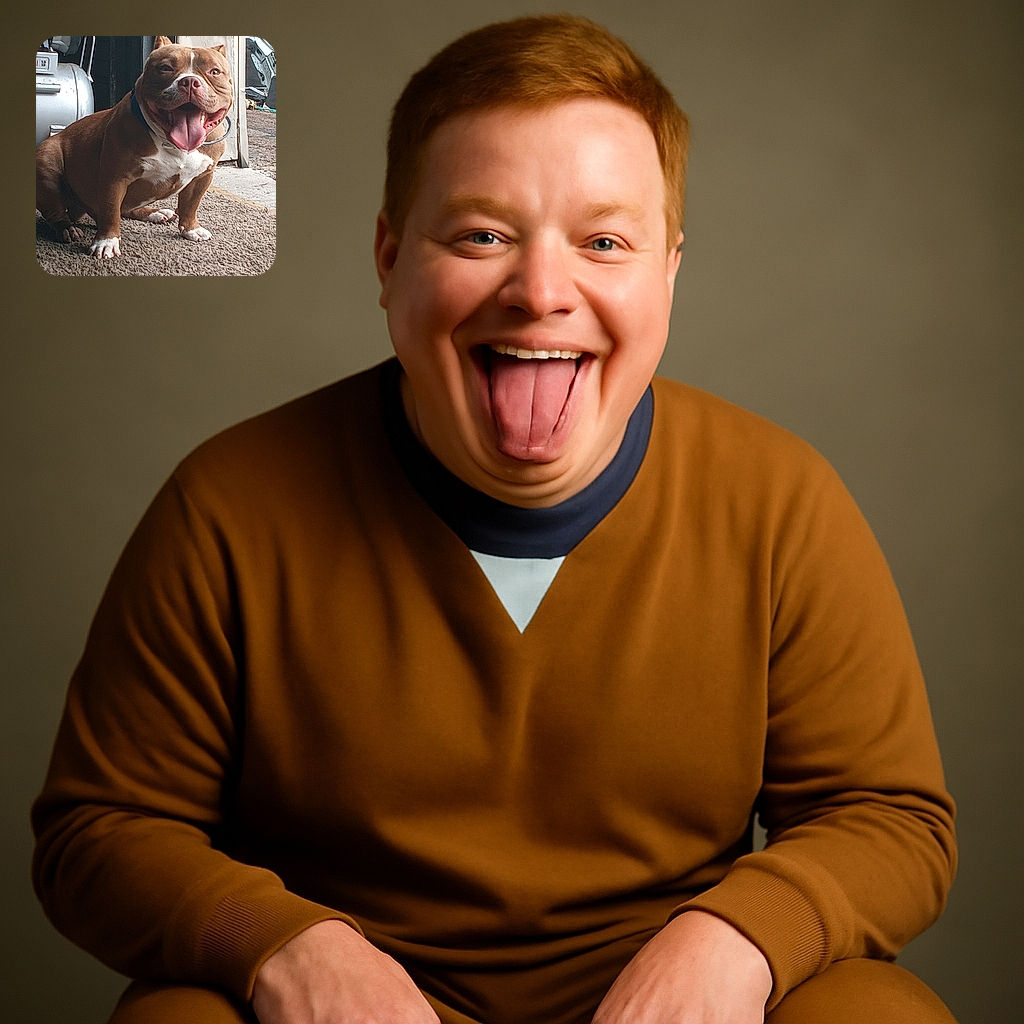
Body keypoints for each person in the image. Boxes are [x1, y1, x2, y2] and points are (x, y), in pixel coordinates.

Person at [32, 15, 957, 1024]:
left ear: (668, 275)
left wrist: (736, 942)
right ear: (390, 260)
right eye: (482, 235)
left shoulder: (781, 500)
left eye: (604, 242)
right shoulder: (228, 505)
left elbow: (888, 817)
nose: (541, 292)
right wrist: (282, 947)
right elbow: (100, 827)